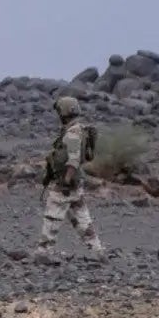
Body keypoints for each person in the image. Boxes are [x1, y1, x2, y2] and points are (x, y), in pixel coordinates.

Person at [38, 94, 107, 258]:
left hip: (66, 184)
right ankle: (97, 252)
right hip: (76, 183)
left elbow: (73, 160)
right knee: (81, 218)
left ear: (64, 112)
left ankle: (43, 253)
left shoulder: (72, 134)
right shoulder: (78, 130)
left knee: (52, 217)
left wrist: (65, 181)